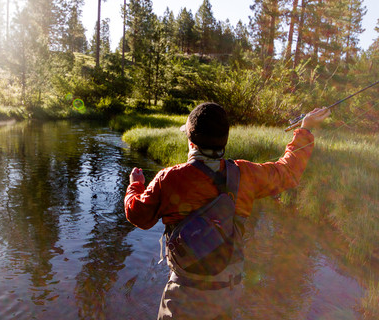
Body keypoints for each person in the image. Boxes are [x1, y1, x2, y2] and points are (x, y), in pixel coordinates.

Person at [124, 102, 331, 319]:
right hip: (226, 294)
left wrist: (135, 185)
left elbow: (138, 216)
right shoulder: (246, 174)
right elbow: (288, 172)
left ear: (191, 142)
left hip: (182, 297)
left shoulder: (169, 178)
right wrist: (305, 129)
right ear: (225, 140)